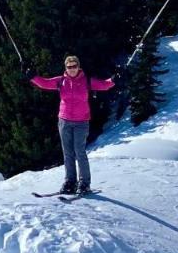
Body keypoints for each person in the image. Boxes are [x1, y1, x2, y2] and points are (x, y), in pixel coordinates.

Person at [29, 55, 115, 195]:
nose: (72, 69)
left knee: (79, 152)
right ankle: (70, 181)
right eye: (69, 67)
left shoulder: (87, 81)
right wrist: (32, 76)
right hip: (64, 121)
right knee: (68, 153)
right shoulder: (60, 81)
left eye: (74, 66)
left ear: (78, 67)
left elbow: (104, 85)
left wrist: (114, 80)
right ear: (66, 68)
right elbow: (44, 83)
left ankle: (84, 183)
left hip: (81, 122)